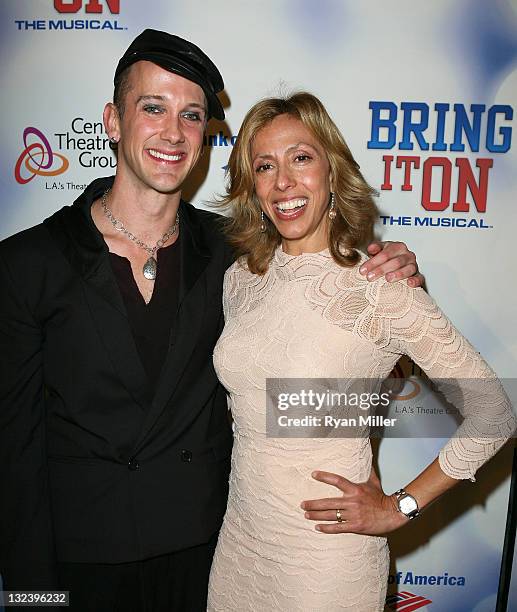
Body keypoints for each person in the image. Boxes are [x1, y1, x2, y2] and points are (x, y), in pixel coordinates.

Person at [0, 31, 423, 612]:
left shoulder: (237, 255)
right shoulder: (28, 264)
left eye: (191, 116)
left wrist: (386, 268)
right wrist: (31, 600)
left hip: (208, 561)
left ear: (204, 137)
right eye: (153, 108)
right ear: (113, 121)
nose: (173, 132)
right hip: (80, 571)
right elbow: (14, 460)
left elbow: (332, 355)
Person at [207, 92, 516, 611]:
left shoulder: (380, 286)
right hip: (240, 548)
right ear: (253, 187)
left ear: (332, 171)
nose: (283, 181)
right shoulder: (239, 280)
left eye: (300, 158)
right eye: (265, 166)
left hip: (327, 564)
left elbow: (495, 412)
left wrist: (401, 507)